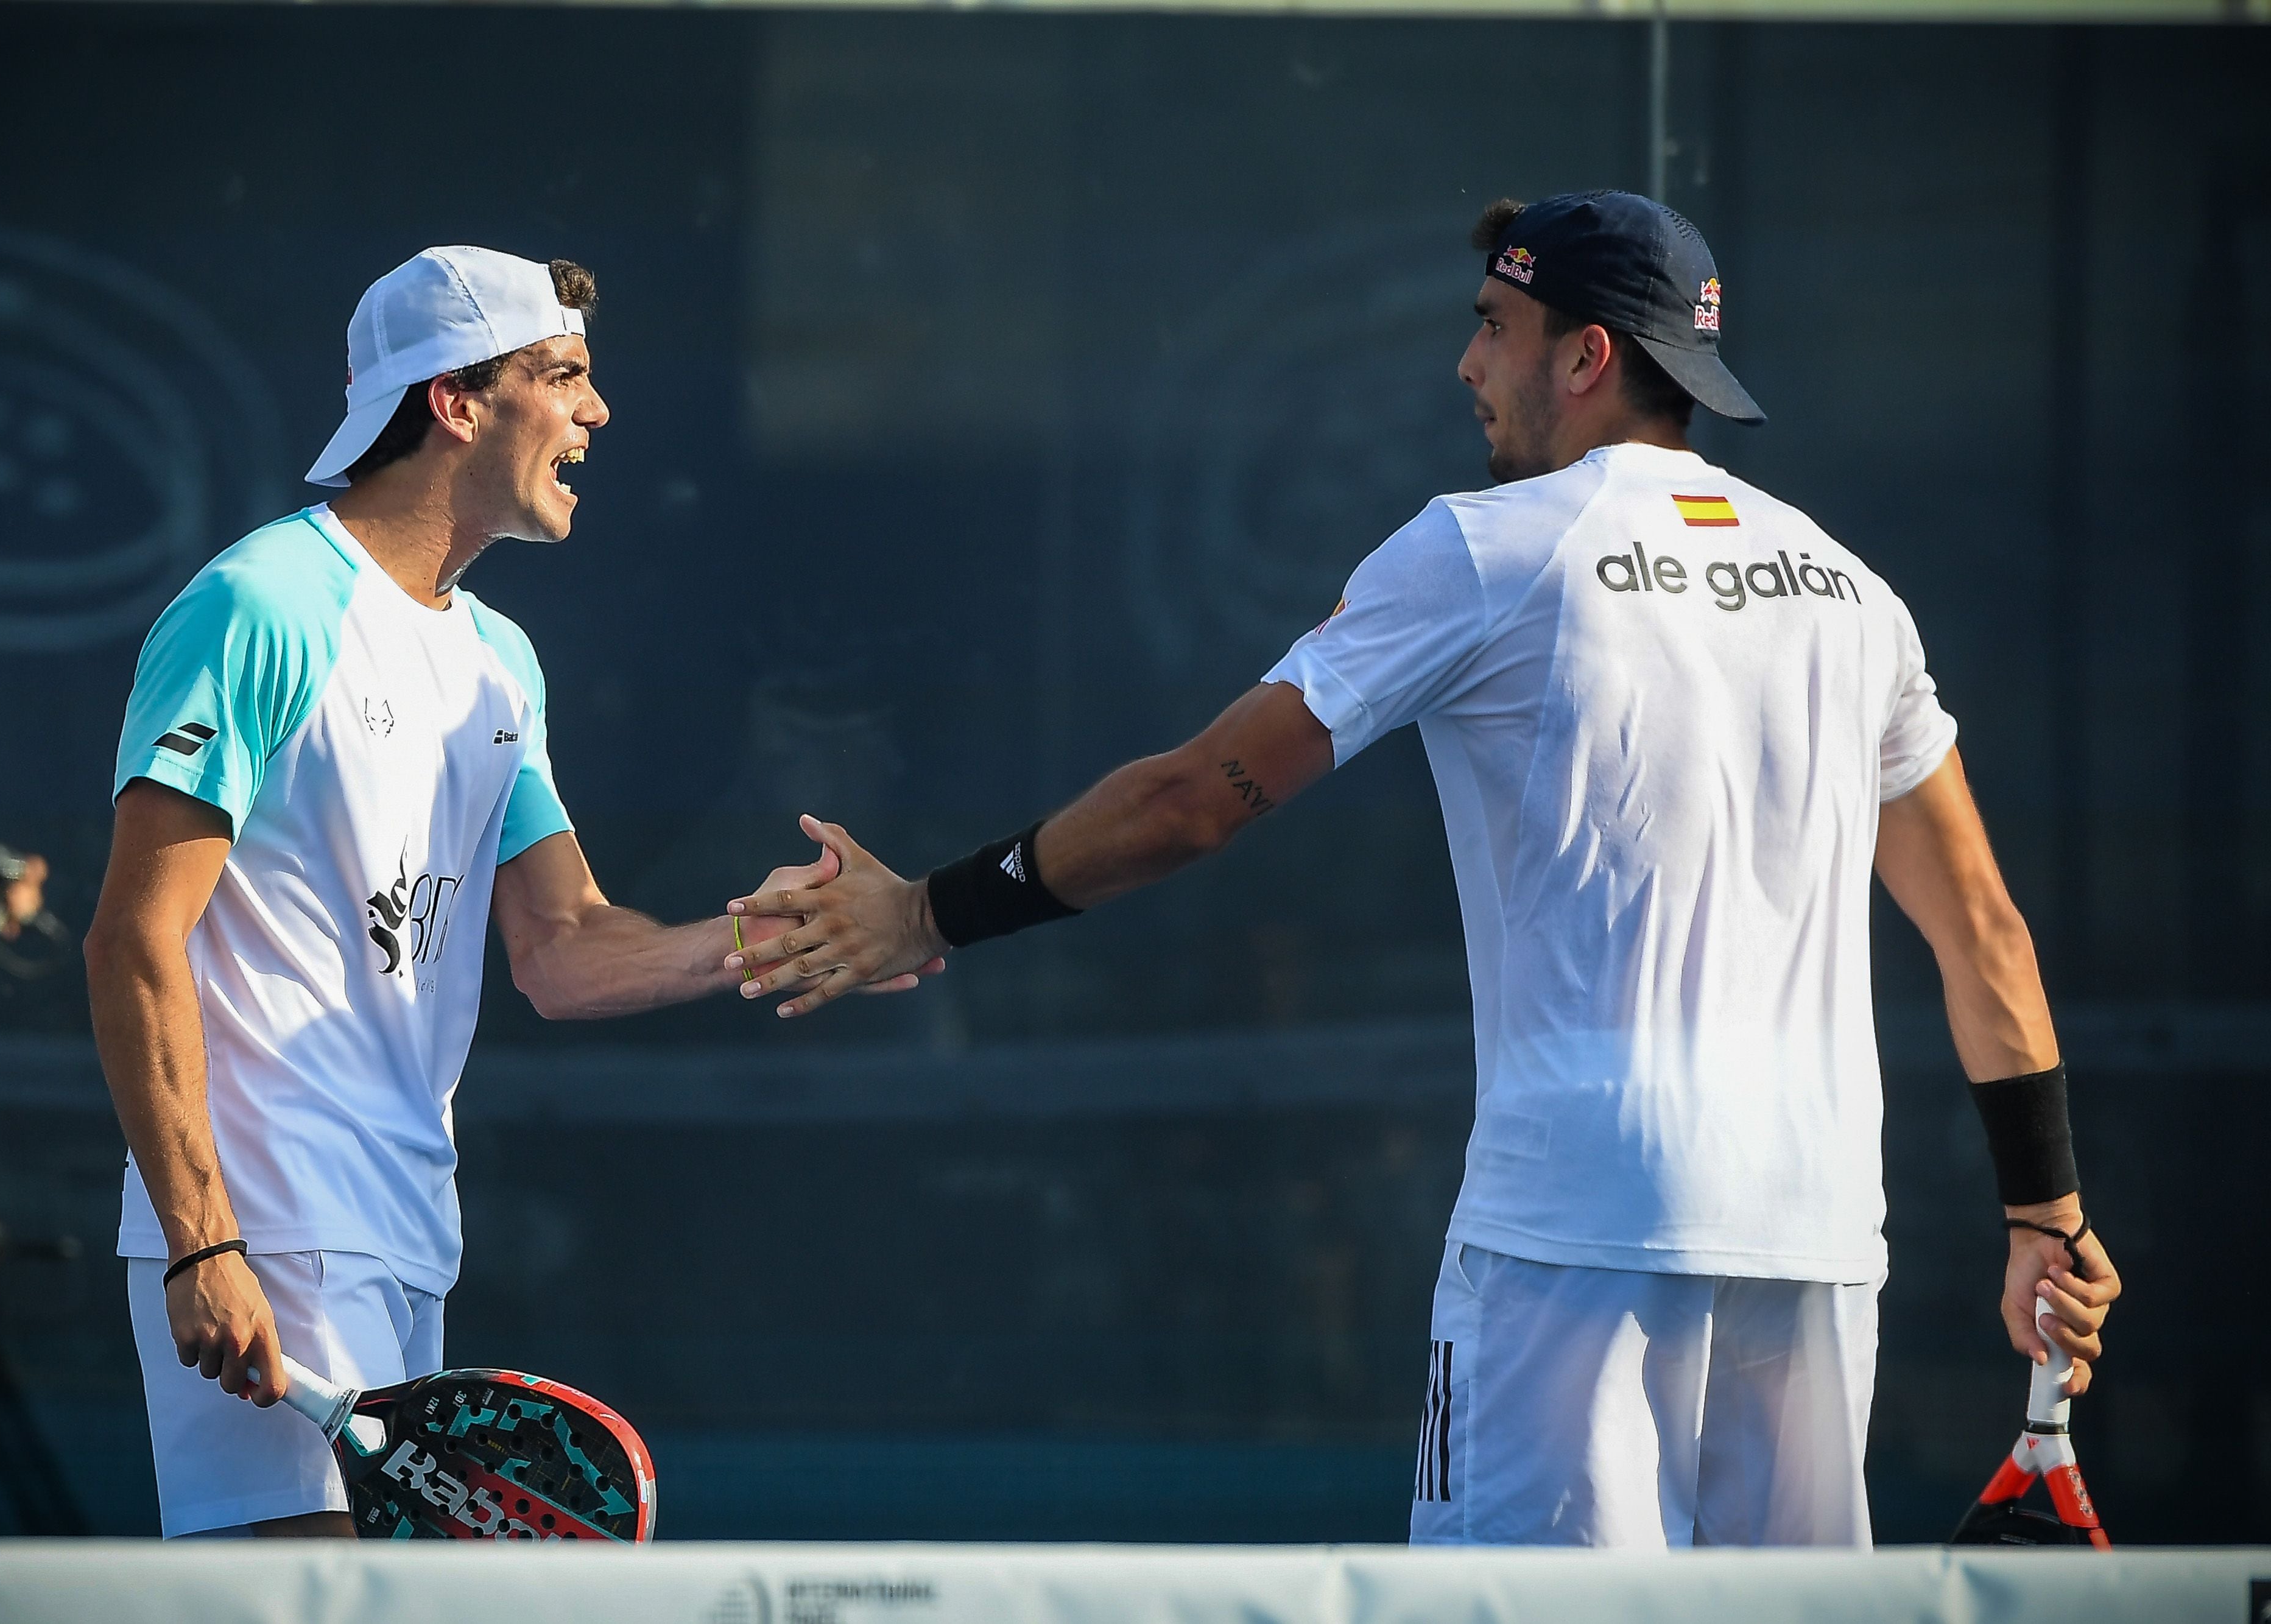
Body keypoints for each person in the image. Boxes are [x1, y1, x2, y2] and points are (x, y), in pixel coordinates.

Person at [720, 192, 2122, 1547]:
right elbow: (1983, 934)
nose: (1466, 363)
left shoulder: (1484, 549)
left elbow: (1189, 801)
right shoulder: (1849, 592)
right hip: (1817, 1241)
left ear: (1586, 358)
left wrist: (923, 909)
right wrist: (2042, 1218)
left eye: (1491, 328)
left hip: (1570, 1234)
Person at [85, 247, 933, 1539]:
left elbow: (565, 943)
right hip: (272, 1227)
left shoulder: (497, 662)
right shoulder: (258, 606)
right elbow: (135, 939)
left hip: (409, 1232)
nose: (596, 414)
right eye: (564, 377)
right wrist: (205, 1241)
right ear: (455, 402)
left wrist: (770, 936)